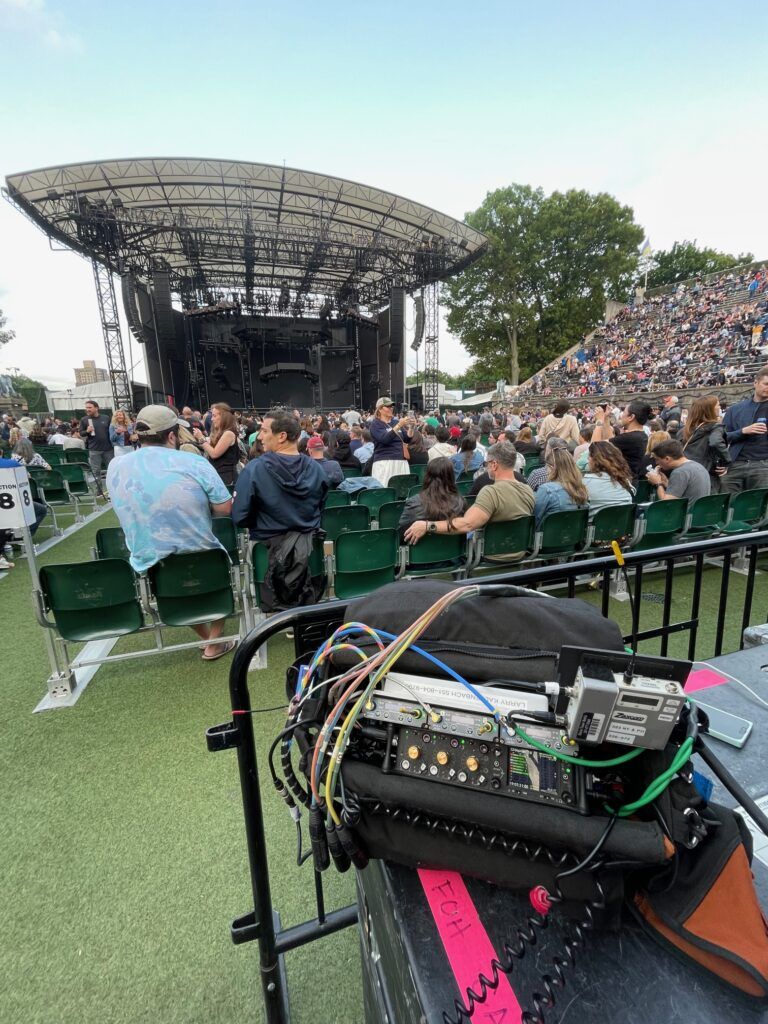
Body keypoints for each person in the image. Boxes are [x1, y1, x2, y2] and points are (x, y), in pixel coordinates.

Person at [106, 405, 235, 660]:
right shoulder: (193, 461)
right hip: (202, 556)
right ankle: (214, 640)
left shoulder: (115, 466)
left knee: (172, 587)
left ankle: (207, 639)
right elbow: (224, 509)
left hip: (150, 561)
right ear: (173, 435)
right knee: (220, 566)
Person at [404, 441, 534, 561]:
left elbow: (467, 525)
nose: (486, 466)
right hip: (520, 553)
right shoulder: (528, 490)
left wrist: (427, 526)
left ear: (494, 465)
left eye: (487, 463)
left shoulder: (491, 492)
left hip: (490, 555)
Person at [232, 408, 327, 556]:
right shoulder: (317, 469)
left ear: (282, 436)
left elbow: (240, 516)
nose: (259, 437)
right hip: (308, 554)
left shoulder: (254, 469)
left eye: (264, 431)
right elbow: (320, 509)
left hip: (267, 555)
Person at [721, 366, 768, 493]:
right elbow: (722, 437)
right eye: (766, 384)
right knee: (728, 504)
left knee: (760, 506)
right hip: (735, 464)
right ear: (755, 383)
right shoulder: (736, 409)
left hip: (763, 465)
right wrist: (743, 431)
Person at [397, 457, 464, 539]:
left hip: (419, 550)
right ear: (451, 476)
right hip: (455, 551)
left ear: (427, 476)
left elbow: (400, 536)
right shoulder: (460, 502)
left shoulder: (413, 503)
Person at [593, 400, 652, 482]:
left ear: (631, 417)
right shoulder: (640, 435)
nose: (621, 415)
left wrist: (599, 421)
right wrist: (606, 418)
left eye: (624, 412)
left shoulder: (630, 438)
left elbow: (594, 447)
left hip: (625, 484)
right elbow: (609, 445)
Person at [681, 396, 730, 492]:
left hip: (686, 472)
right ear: (710, 409)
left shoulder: (685, 430)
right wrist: (727, 462)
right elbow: (716, 442)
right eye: (718, 405)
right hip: (706, 474)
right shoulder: (715, 427)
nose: (719, 407)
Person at [533, 445, 589, 527]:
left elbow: (535, 520)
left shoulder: (546, 490)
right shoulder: (582, 488)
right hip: (575, 537)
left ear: (552, 468)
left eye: (546, 467)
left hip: (547, 537)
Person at [645, 440, 711, 504]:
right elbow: (687, 491)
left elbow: (667, 502)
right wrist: (666, 483)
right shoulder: (698, 466)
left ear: (667, 459)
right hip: (700, 514)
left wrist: (658, 483)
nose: (656, 463)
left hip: (686, 514)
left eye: (657, 459)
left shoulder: (679, 472)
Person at [194, 402, 240, 488]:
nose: (211, 419)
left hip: (226, 477)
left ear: (223, 417)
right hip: (219, 475)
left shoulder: (228, 433)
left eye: (214, 416)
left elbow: (214, 454)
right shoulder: (221, 433)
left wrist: (201, 438)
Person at [367, 397, 411, 485]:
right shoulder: (375, 424)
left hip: (401, 460)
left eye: (392, 406)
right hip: (384, 461)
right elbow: (384, 439)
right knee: (385, 489)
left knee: (402, 491)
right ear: (379, 409)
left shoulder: (395, 422)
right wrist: (399, 425)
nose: (391, 408)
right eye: (388, 406)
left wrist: (412, 427)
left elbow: (407, 438)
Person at [583, 441, 635, 513]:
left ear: (593, 459)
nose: (588, 459)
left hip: (594, 523)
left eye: (589, 456)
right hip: (623, 522)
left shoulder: (585, 482)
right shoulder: (624, 480)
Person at [79, 399, 113, 495]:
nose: (87, 409)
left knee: (111, 469)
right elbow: (81, 433)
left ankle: (113, 489)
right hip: (94, 450)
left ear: (96, 408)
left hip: (108, 449)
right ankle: (99, 492)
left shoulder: (106, 418)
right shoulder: (84, 420)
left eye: (90, 407)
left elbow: (112, 431)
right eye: (86, 408)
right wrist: (87, 431)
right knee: (96, 471)